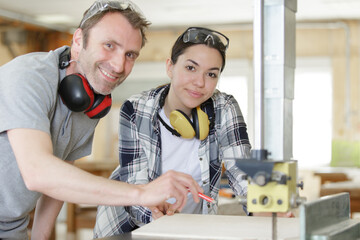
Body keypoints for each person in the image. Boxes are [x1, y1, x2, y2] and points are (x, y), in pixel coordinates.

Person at [0, 1, 203, 239]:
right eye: (109, 45)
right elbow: (38, 172)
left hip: (12, 227)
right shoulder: (27, 76)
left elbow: (60, 178)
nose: (119, 65)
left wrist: (40, 237)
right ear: (78, 41)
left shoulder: (91, 100)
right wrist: (140, 193)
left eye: (130, 55)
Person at [94, 26, 252, 238]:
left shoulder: (224, 107)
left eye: (211, 74)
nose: (200, 82)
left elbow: (241, 170)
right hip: (128, 228)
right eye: (190, 68)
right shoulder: (136, 109)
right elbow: (134, 185)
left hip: (192, 229)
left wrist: (262, 205)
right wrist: (155, 213)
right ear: (170, 67)